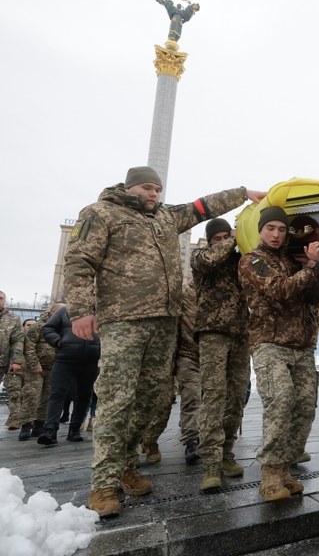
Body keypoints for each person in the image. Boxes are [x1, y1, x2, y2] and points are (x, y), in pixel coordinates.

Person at [65, 165, 264, 518]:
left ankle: (127, 465)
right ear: (130, 188)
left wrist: (243, 194)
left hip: (164, 323)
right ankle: (104, 484)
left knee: (153, 398)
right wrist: (80, 309)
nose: (154, 194)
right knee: (117, 399)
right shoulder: (100, 213)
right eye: (147, 188)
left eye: (157, 189)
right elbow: (79, 260)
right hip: (125, 319)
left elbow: (202, 207)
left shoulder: (165, 218)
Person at [238, 206, 319, 502]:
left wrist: (318, 268)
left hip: (302, 345)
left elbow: (315, 294)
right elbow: (279, 290)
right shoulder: (252, 260)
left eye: (282, 229)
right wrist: (311, 268)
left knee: (305, 406)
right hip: (270, 343)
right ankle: (270, 474)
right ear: (261, 231)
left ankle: (286, 469)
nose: (276, 234)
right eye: (270, 228)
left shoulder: (293, 260)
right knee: (281, 400)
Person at [192, 218, 251, 492]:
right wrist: (233, 240)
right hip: (213, 332)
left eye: (227, 235)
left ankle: (227, 452)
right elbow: (210, 259)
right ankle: (211, 464)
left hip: (241, 333)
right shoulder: (201, 256)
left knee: (237, 396)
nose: (225, 240)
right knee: (214, 395)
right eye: (219, 237)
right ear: (211, 239)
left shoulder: (240, 261)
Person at [141, 282, 201, 465]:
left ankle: (194, 439)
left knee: (200, 398)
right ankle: (150, 441)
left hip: (211, 355)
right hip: (183, 354)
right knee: (182, 397)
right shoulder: (183, 291)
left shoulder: (218, 291)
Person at [38, 304, 101, 445]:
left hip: (92, 361)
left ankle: (74, 429)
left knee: (84, 396)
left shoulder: (105, 309)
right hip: (65, 360)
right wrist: (59, 342)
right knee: (57, 394)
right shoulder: (65, 310)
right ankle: (50, 431)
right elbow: (48, 328)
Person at [15, 305, 61, 440]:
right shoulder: (39, 326)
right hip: (36, 368)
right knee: (31, 395)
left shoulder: (62, 327)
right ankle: (26, 424)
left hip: (53, 368)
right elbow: (28, 346)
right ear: (53, 312)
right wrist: (34, 364)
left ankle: (39, 424)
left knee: (47, 397)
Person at [1, 291, 24, 430]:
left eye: (0, 298)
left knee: (14, 391)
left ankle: (15, 419)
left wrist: (17, 361)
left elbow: (17, 340)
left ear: (4, 300)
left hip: (8, 361)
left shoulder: (13, 319)